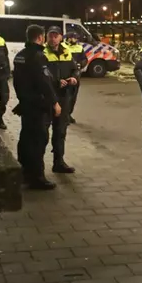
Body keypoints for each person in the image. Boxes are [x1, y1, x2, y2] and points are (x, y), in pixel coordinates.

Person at [12, 24, 62, 190]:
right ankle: (37, 177)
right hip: (38, 106)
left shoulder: (20, 56)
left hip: (26, 104)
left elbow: (17, 82)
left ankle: (24, 172)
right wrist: (54, 102)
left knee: (25, 139)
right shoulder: (38, 56)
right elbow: (44, 83)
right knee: (39, 140)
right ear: (40, 37)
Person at [44, 26, 79, 174]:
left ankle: (59, 162)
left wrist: (74, 78)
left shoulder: (66, 51)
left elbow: (75, 69)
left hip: (63, 97)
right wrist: (56, 82)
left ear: (61, 37)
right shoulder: (42, 52)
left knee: (60, 131)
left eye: (55, 36)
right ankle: (36, 168)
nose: (53, 39)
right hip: (46, 97)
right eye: (50, 36)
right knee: (42, 133)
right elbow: (41, 75)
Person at [63, 32, 88, 125]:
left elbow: (84, 59)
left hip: (77, 76)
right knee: (66, 97)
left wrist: (81, 64)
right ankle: (64, 116)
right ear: (68, 38)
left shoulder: (79, 48)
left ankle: (68, 114)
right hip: (66, 75)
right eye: (73, 38)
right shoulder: (63, 47)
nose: (75, 39)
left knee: (73, 97)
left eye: (76, 38)